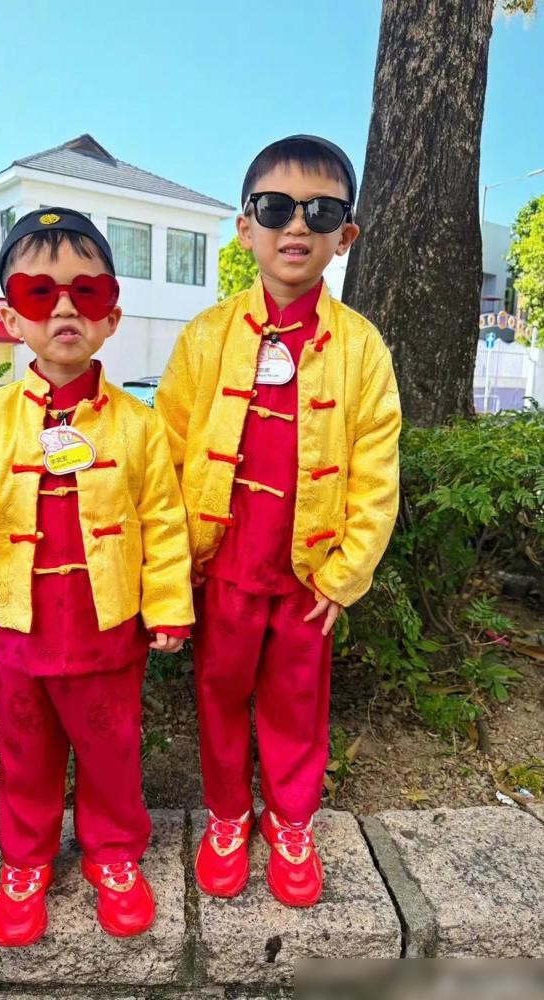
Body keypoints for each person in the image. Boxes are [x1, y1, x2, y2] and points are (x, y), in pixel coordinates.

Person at [0, 208, 193, 945]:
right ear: (12, 319)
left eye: (87, 292)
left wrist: (168, 605)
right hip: (23, 629)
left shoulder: (139, 425)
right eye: (40, 294)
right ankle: (25, 861)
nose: (65, 308)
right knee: (26, 754)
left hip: (109, 626)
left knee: (112, 748)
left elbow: (163, 519)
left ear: (112, 317)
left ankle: (114, 854)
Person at [155, 135, 401, 908]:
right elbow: (164, 455)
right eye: (275, 208)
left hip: (308, 575)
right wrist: (170, 570)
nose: (297, 225)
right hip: (221, 569)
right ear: (245, 228)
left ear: (345, 235)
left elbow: (376, 470)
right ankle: (229, 815)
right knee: (219, 694)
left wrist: (345, 573)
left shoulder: (361, 348)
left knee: (298, 702)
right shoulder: (205, 337)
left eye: (320, 211)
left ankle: (291, 821)